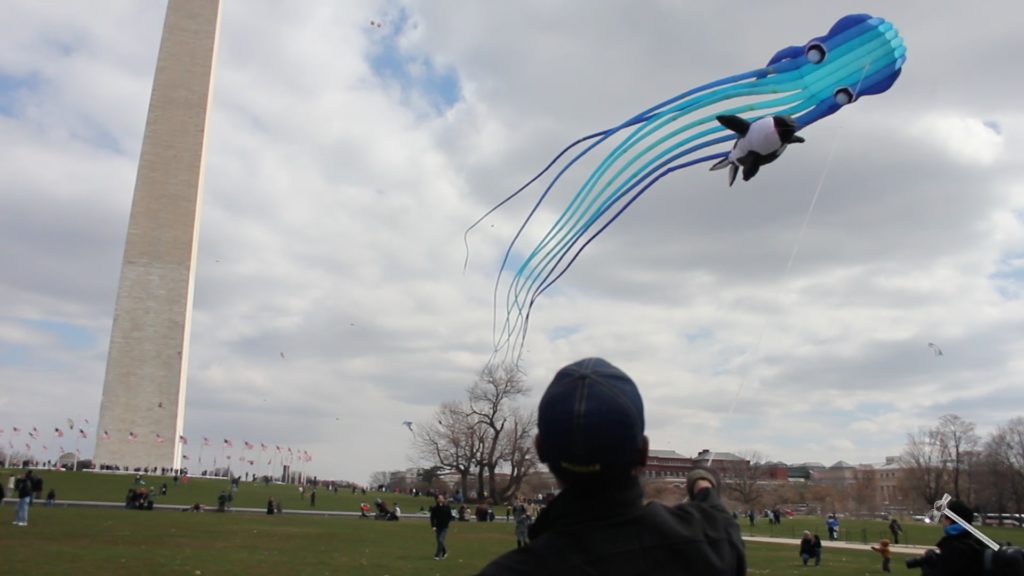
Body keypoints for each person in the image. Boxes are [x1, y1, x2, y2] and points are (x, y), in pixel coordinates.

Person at [476, 357, 746, 575]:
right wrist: (702, 481)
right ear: (642, 453)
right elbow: (714, 512)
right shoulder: (711, 546)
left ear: (540, 449)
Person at [931, 500, 986, 575]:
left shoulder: (952, 547)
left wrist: (927, 567)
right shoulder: (977, 544)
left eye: (944, 516)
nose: (942, 520)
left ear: (949, 520)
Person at [430, 494, 453, 560]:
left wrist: (447, 522)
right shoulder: (435, 508)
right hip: (438, 526)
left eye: (442, 497)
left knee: (440, 540)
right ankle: (444, 552)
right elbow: (432, 518)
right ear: (437, 499)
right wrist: (433, 526)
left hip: (444, 527)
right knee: (439, 541)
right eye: (440, 498)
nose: (441, 499)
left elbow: (450, 516)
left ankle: (437, 555)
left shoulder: (447, 507)